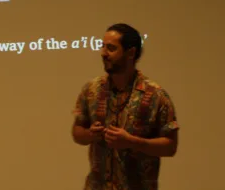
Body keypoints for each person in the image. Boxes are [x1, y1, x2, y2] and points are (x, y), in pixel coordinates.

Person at [72, 23, 179, 189]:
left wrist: (132, 142)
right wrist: (90, 134)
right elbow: (77, 132)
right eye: (102, 46)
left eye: (111, 48)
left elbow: (170, 147)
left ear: (131, 53)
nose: (103, 53)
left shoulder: (155, 95)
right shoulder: (91, 90)